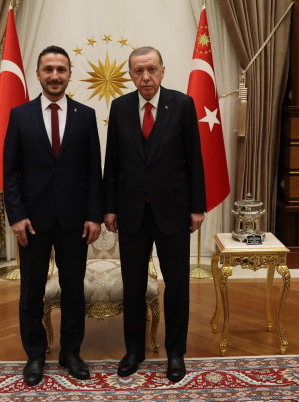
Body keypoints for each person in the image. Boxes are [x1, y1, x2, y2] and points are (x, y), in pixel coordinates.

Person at [103, 46, 206, 383]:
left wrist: (197, 207)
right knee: (133, 286)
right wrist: (109, 207)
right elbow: (112, 163)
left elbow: (194, 158)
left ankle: (176, 353)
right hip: (132, 212)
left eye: (151, 69)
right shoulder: (120, 108)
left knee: (177, 285)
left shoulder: (183, 104)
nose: (145, 77)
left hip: (173, 211)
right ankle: (133, 351)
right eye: (138, 71)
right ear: (130, 75)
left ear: (162, 71)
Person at [3, 45, 103, 386]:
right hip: (32, 221)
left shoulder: (85, 116)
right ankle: (35, 354)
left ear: (70, 74)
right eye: (49, 69)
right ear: (38, 74)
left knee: (73, 289)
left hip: (75, 222)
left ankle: (71, 352)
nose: (55, 75)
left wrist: (94, 215)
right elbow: (10, 172)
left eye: (61, 69)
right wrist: (16, 216)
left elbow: (94, 171)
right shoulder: (20, 116)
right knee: (31, 290)